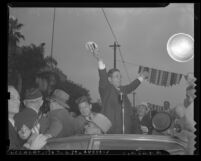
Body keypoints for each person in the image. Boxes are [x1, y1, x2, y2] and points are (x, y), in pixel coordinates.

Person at [90, 46, 149, 134]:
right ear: (109, 79)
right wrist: (99, 58)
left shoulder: (122, 90)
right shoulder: (106, 89)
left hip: (126, 133)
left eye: (120, 76)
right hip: (111, 133)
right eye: (116, 76)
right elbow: (103, 76)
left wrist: (142, 76)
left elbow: (131, 86)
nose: (119, 78)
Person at [8, 85, 47, 150]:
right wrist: (31, 149)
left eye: (18, 98)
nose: (17, 101)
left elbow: (14, 146)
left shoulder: (13, 124)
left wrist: (28, 138)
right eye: (11, 97)